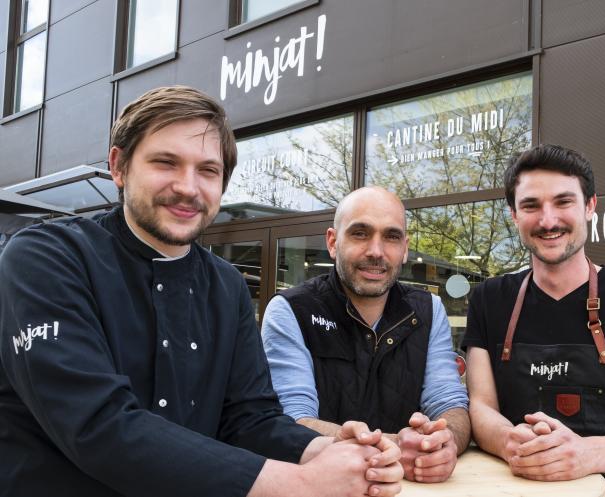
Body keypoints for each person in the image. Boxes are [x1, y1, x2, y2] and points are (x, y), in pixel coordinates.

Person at [0, 86, 404, 497]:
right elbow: (98, 425)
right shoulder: (46, 257)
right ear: (119, 166)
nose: (188, 187)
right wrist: (302, 482)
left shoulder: (226, 285)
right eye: (165, 162)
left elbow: (249, 418)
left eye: (208, 171)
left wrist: (327, 450)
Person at [463, 144, 605, 496]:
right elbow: (481, 406)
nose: (548, 221)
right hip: (518, 489)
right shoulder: (490, 298)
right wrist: (510, 442)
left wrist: (586, 454)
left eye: (563, 202)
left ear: (590, 206)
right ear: (514, 214)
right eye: (531, 205)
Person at [262, 186, 471, 483]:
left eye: (391, 236)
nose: (376, 251)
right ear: (333, 242)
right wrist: (399, 445)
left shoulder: (429, 310)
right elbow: (292, 421)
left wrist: (444, 441)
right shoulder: (291, 310)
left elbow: (449, 402)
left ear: (405, 248)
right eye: (360, 233)